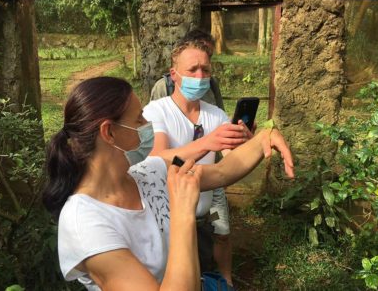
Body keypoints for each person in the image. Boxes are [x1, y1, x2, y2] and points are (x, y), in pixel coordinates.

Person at [42, 76, 294, 290]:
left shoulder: (147, 173)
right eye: (139, 120)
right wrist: (183, 211)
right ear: (109, 132)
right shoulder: (84, 224)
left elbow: (221, 172)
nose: (147, 126)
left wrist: (263, 139)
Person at [143, 40, 255, 286]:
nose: (200, 76)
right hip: (170, 203)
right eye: (192, 70)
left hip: (211, 198)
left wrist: (247, 144)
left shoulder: (215, 114)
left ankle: (226, 281)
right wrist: (207, 143)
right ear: (174, 74)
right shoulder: (156, 111)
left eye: (205, 70)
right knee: (180, 261)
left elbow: (229, 158)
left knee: (221, 234)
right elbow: (156, 155)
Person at [150, 28, 224, 110]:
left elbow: (222, 117)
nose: (200, 76)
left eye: (209, 54)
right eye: (192, 69)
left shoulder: (211, 84)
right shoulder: (163, 87)